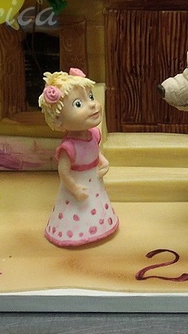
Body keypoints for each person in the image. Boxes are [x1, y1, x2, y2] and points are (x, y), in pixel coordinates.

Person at [38, 68, 118, 247]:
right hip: (78, 186)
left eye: (91, 97)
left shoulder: (94, 134)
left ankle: (100, 227)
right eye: (78, 104)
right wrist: (74, 189)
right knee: (78, 210)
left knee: (97, 206)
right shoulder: (68, 147)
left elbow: (95, 152)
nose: (92, 105)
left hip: (94, 182)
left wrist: (103, 162)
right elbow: (64, 173)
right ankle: (74, 232)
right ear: (58, 120)